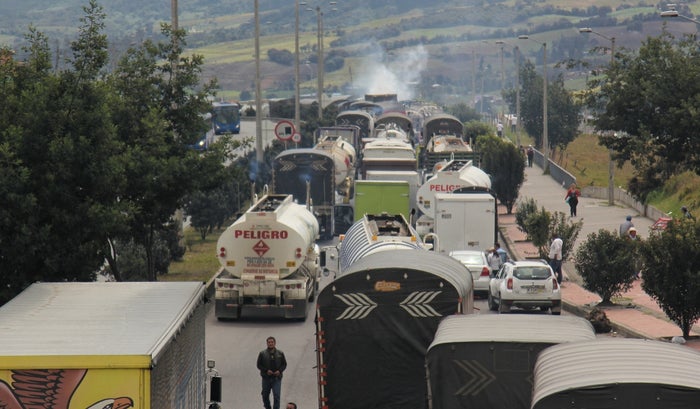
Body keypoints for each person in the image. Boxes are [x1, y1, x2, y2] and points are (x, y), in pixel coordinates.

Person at [257, 336, 288, 409]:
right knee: (265, 395)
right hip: (266, 378)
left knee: (276, 396)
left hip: (277, 379)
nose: (270, 343)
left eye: (272, 342)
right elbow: (259, 365)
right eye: (269, 342)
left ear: (275, 343)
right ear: (267, 343)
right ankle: (268, 407)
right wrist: (266, 371)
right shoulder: (262, 353)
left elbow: (284, 364)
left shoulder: (280, 353)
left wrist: (279, 371)